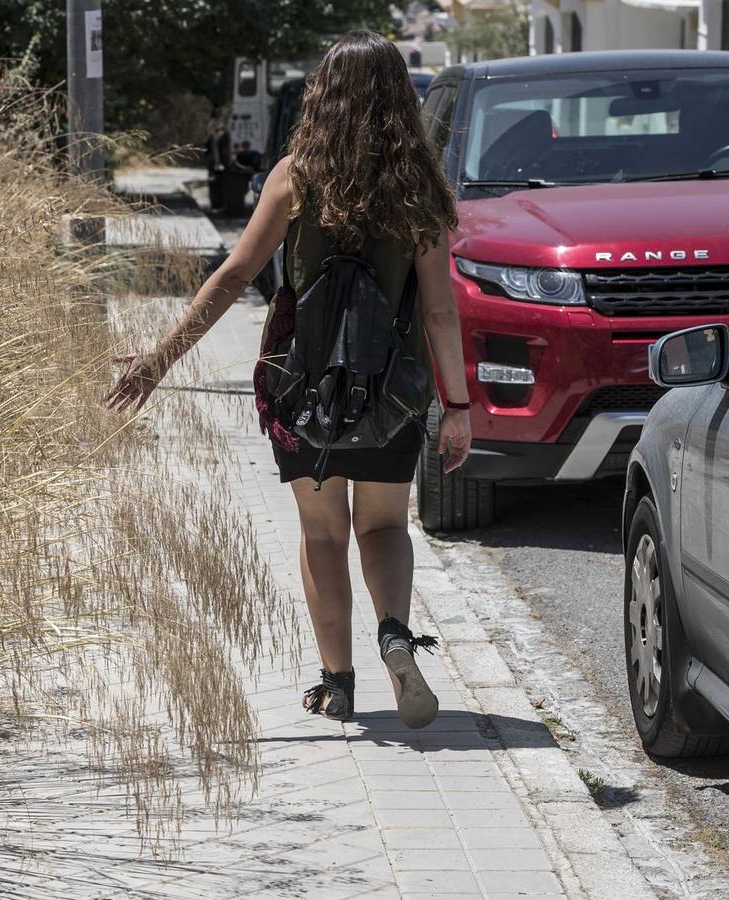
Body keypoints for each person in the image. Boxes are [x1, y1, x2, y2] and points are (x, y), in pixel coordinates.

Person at [104, 31, 472, 729]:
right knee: (386, 524)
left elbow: (235, 274)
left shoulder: (295, 176)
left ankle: (337, 683)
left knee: (323, 532)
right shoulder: (418, 187)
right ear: (400, 97)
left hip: (301, 388)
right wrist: (456, 406)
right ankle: (394, 630)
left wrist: (161, 356)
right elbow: (437, 309)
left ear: (322, 95)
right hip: (391, 391)